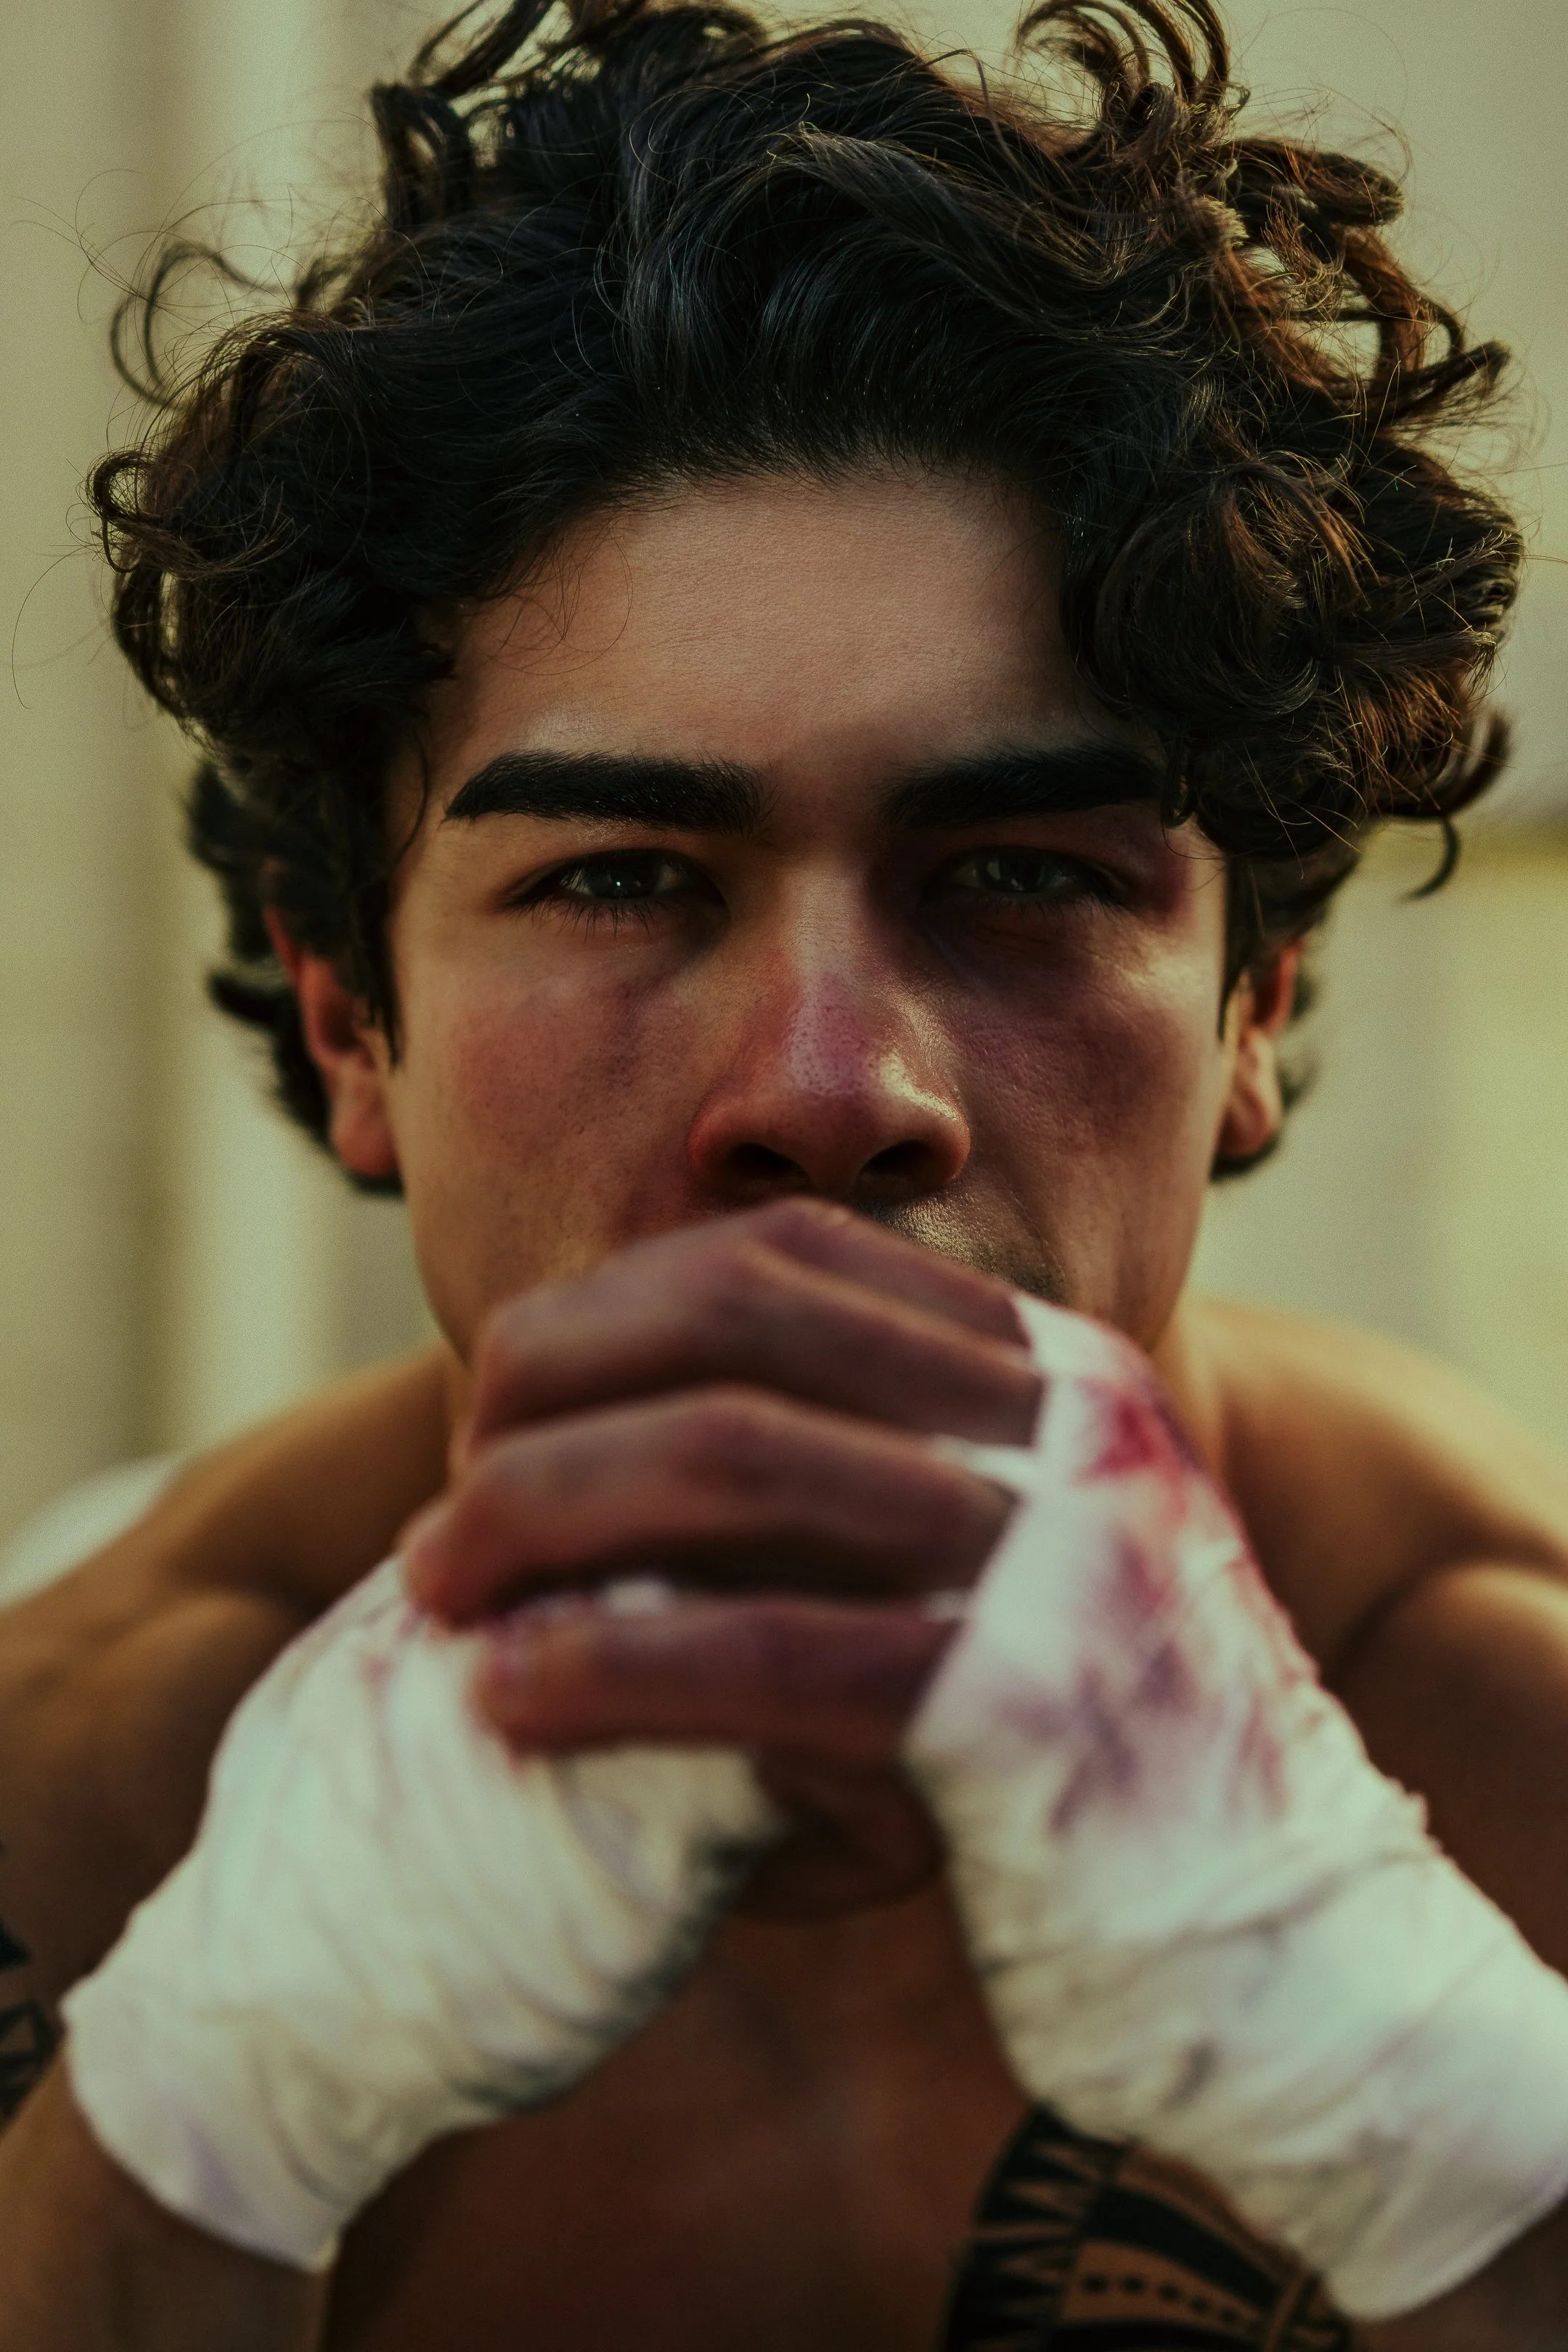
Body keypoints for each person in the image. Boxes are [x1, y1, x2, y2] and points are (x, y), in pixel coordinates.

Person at [6, 1, 1568, 2344]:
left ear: (1250, 1007)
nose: (834, 1086)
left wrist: (1444, 2126)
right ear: (354, 1020)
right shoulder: (96, 1790)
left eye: (1023, 871)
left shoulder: (1509, 1731)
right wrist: (181, 2137)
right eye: (626, 876)